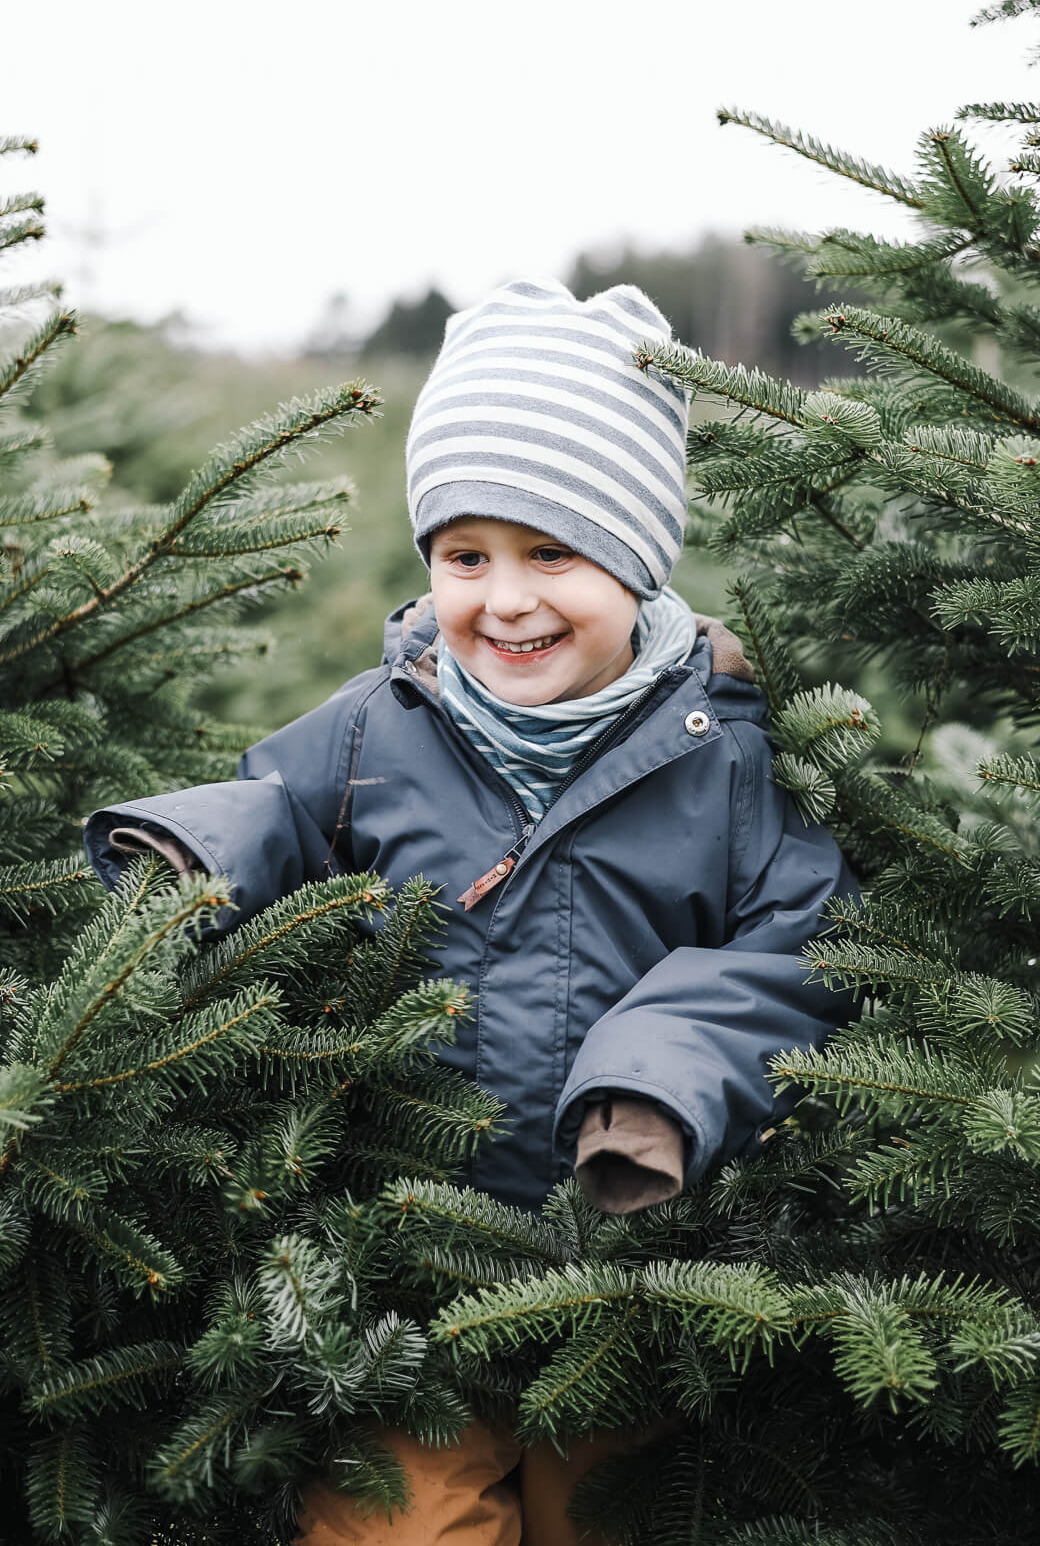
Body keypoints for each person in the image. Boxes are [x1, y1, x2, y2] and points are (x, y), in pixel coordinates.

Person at [84, 277, 861, 1545]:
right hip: (401, 1264)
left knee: (602, 1517)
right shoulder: (380, 718)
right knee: (397, 1527)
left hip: (625, 1271)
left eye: (553, 552)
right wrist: (187, 855)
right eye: (466, 555)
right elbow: (276, 810)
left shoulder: (726, 759)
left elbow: (798, 948)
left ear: (638, 554)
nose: (505, 600)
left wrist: (657, 1081)